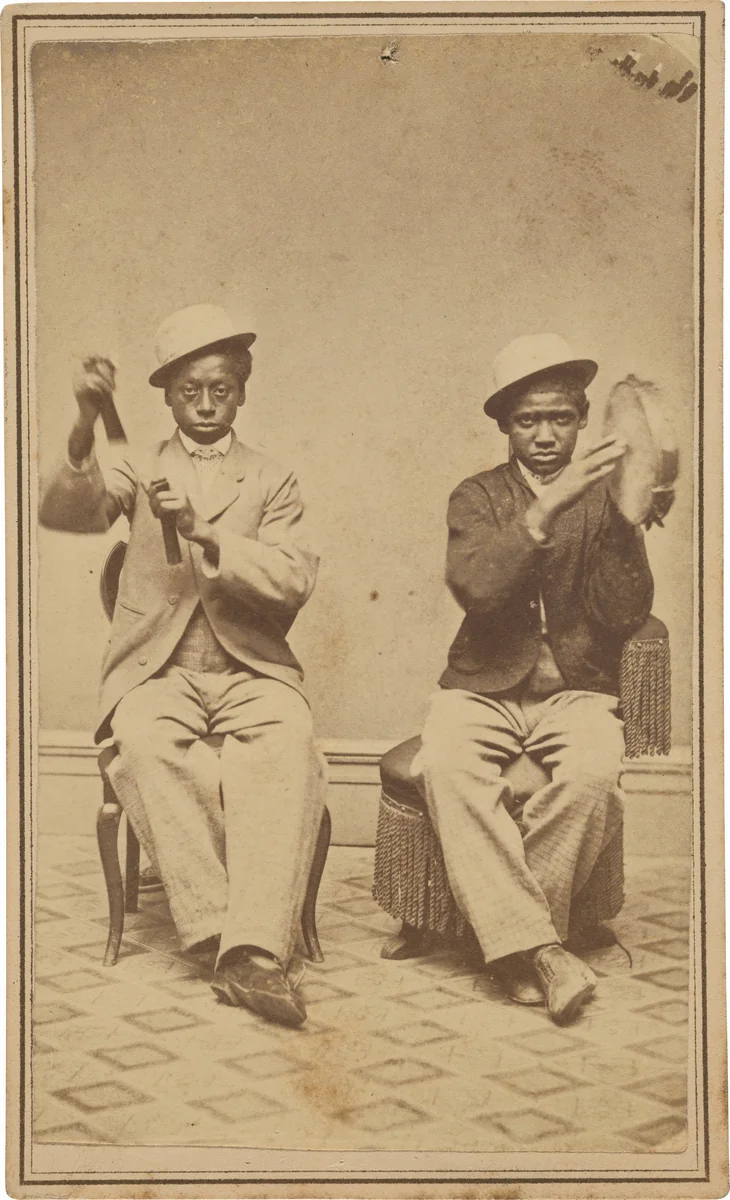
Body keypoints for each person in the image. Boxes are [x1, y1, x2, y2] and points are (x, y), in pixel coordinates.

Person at [40, 304, 325, 1028]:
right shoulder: (136, 466)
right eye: (189, 391)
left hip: (251, 669)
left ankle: (251, 946)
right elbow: (66, 514)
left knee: (291, 740)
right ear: (167, 396)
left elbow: (293, 579)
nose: (204, 404)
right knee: (141, 741)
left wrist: (205, 531)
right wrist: (84, 425)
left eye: (220, 390)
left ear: (242, 391)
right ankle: (228, 940)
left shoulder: (273, 478)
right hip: (156, 672)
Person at [415, 333, 656, 1025]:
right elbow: (478, 592)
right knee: (446, 767)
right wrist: (547, 509)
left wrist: (625, 525)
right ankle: (545, 952)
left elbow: (624, 614)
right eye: (528, 421)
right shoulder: (476, 496)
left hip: (577, 690)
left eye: (560, 419)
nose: (545, 436)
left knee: (594, 774)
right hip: (481, 687)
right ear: (505, 426)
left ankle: (515, 949)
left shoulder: (609, 498)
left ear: (581, 421)